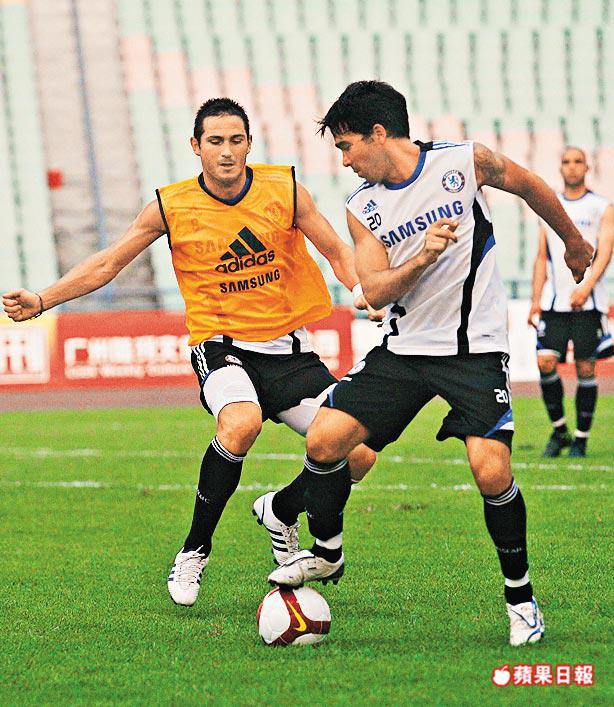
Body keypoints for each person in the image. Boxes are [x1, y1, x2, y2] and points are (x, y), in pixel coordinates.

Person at [2, 97, 382, 607]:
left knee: (358, 454)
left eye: (236, 140)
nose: (226, 152)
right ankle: (195, 550)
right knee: (241, 424)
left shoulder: (286, 190)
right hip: (223, 347)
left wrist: (364, 289)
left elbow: (336, 251)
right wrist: (43, 299)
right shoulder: (171, 205)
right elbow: (109, 263)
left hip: (289, 351)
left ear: (249, 144)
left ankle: (281, 510)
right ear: (195, 147)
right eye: (215, 141)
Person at [267, 81, 593, 646]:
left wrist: (571, 241)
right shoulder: (363, 207)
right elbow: (375, 288)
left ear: (377, 133)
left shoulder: (464, 162)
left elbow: (528, 185)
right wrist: (421, 258)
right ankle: (327, 552)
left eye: (346, 146)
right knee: (324, 440)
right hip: (405, 350)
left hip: (474, 350)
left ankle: (521, 600)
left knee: (491, 472)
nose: (344, 161)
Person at [528, 146, 613, 458]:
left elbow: (605, 251)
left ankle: (581, 439)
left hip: (588, 305)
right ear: (560, 167)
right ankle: (560, 431)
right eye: (566, 161)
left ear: (587, 168)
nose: (572, 166)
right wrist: (535, 300)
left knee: (586, 368)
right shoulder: (550, 207)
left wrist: (586, 287)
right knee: (545, 362)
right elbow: (542, 257)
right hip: (555, 304)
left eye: (578, 161)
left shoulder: (601, 206)